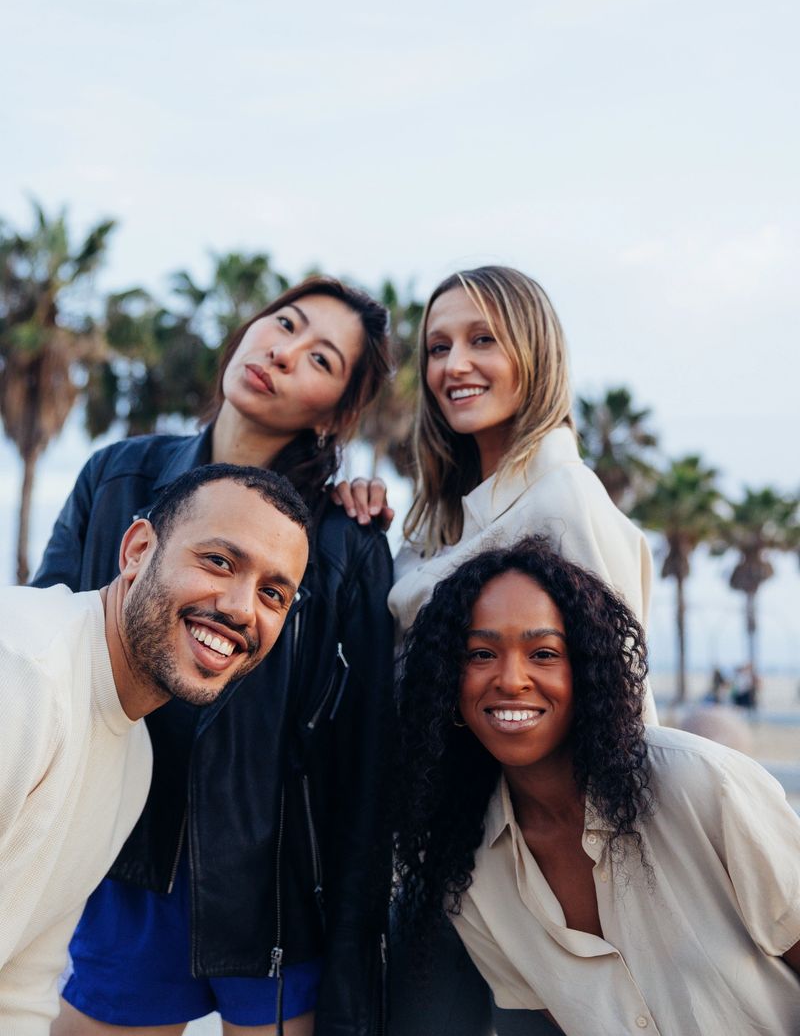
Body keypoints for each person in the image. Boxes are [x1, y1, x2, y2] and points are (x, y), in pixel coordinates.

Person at [34, 277, 395, 1036]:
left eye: (320, 357)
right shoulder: (118, 477)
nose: (284, 351)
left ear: (333, 411)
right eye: (284, 323)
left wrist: (358, 936)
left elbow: (364, 757)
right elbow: (48, 638)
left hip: (275, 892)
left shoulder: (346, 539)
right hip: (127, 864)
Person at [345, 265, 654, 1036]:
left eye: (484, 339)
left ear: (535, 354)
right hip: (439, 859)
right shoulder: (434, 525)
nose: (455, 365)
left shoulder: (564, 499)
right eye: (440, 346)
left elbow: (620, 704)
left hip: (552, 878)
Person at [394, 537, 800, 1036]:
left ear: (587, 669)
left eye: (543, 652)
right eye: (481, 653)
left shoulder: (703, 785)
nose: (511, 679)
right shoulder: (470, 870)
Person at [1, 463, 310, 1035]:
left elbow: (19, 990)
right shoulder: (20, 674)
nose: (243, 609)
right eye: (219, 561)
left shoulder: (132, 760)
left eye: (273, 593)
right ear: (138, 549)